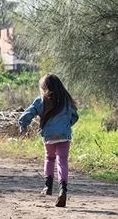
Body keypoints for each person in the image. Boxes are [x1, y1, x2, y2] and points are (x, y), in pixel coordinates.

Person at [19, 74, 79, 207]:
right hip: (64, 135)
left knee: (49, 158)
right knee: (62, 161)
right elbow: (75, 116)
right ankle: (63, 189)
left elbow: (28, 113)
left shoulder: (41, 100)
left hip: (49, 136)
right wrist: (66, 126)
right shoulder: (66, 100)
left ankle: (48, 186)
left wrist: (23, 126)